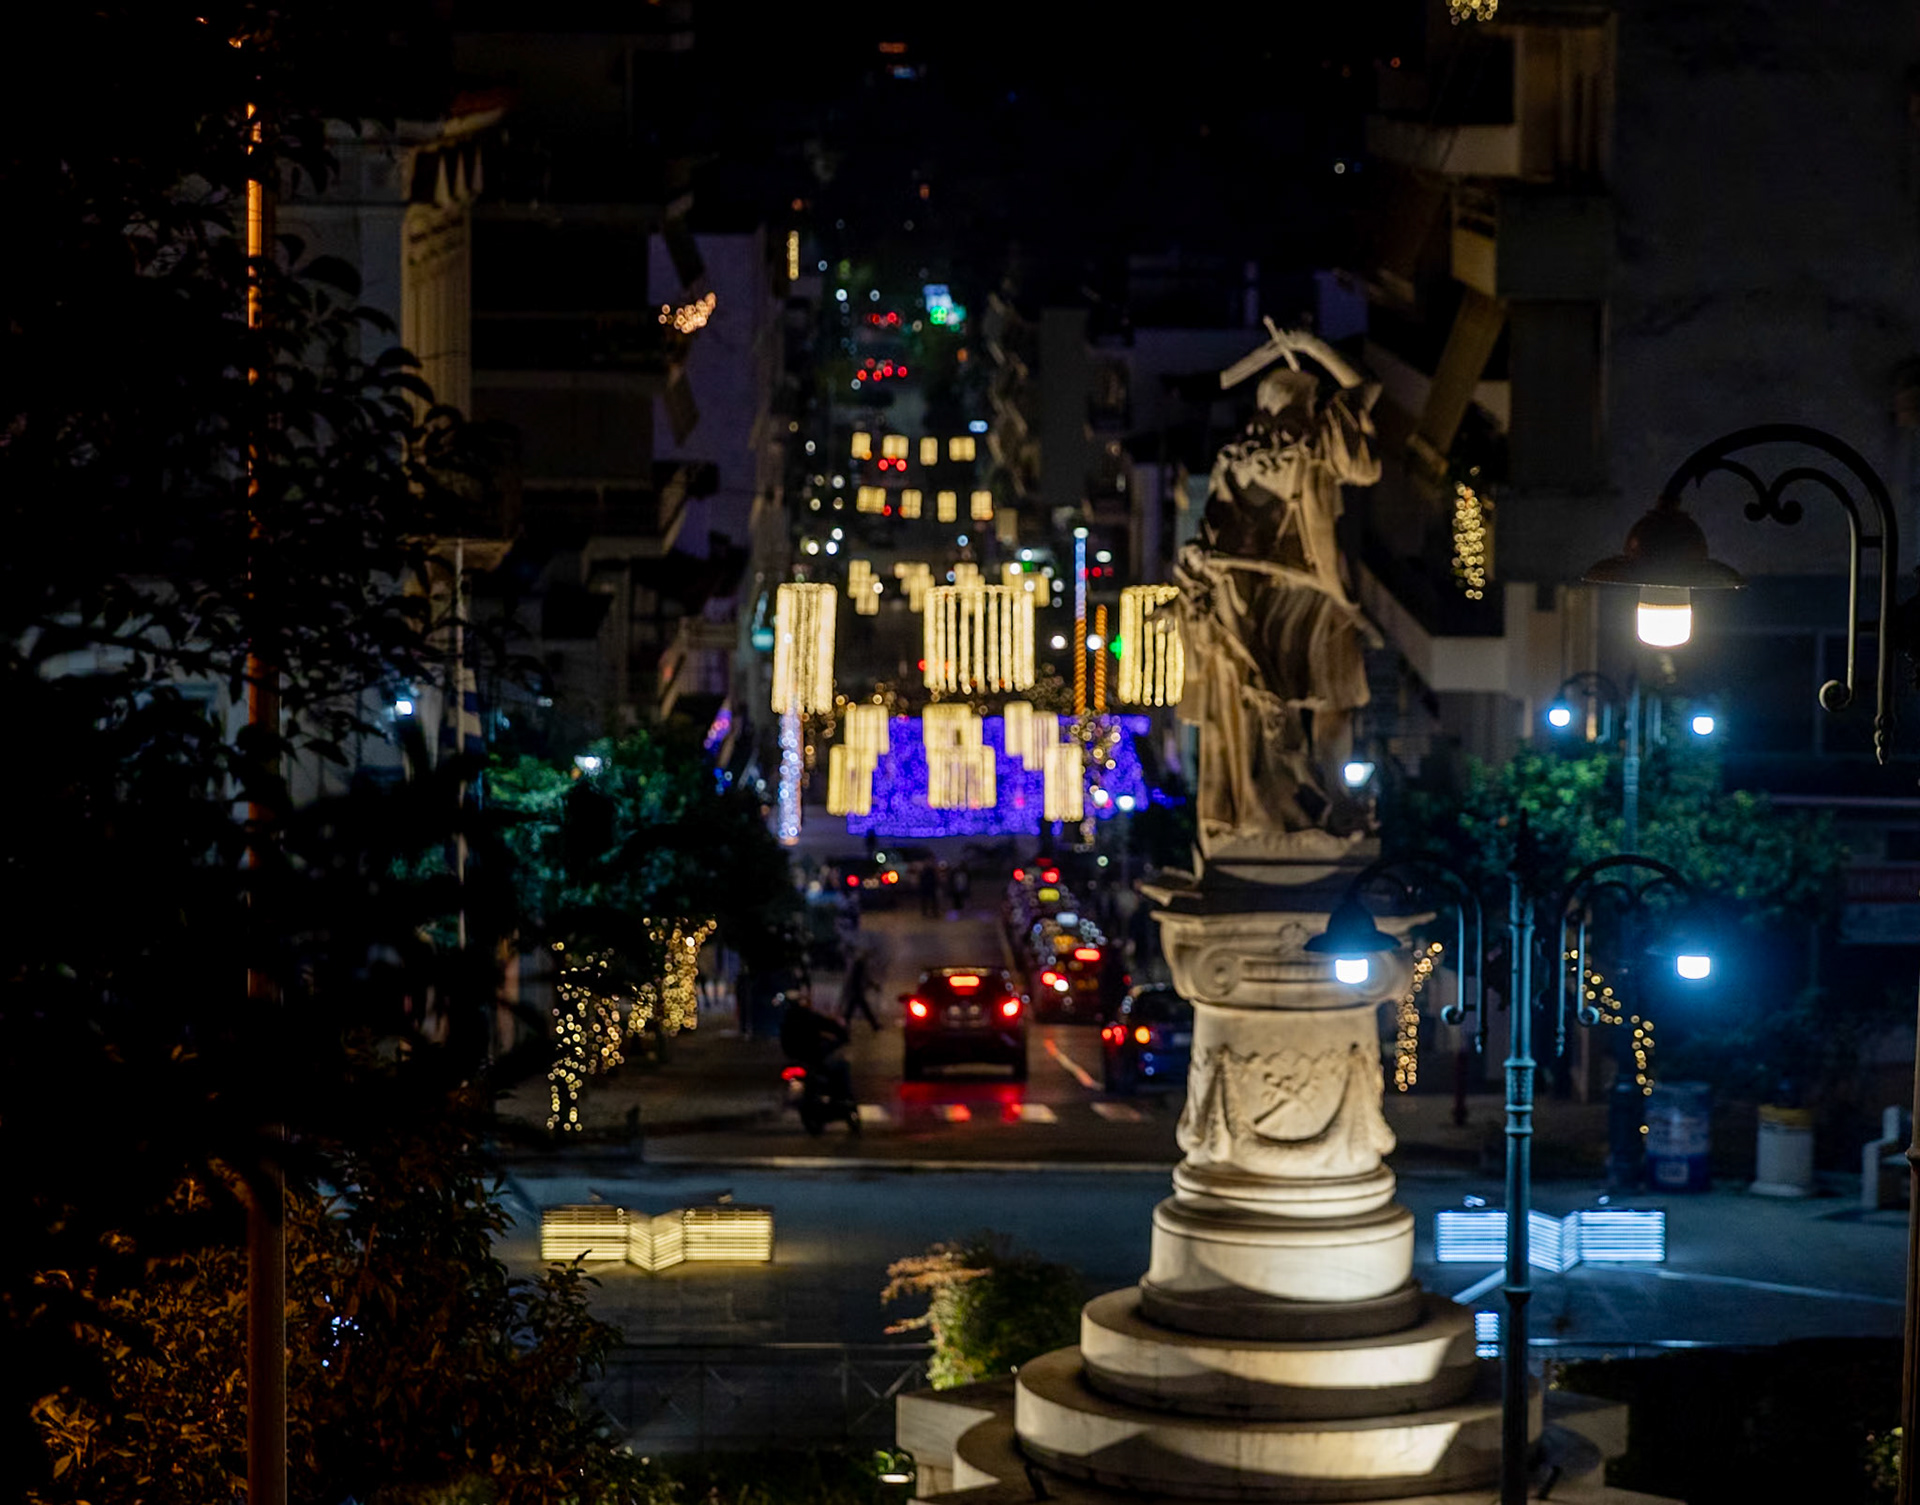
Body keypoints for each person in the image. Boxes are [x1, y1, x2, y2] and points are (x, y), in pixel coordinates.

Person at [779, 992, 853, 1103]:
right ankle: (842, 1098)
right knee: (840, 1066)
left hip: (794, 1055)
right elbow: (830, 1025)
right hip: (812, 1055)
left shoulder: (786, 1019)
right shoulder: (808, 1016)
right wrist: (843, 1035)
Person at [840, 948, 882, 1031]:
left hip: (857, 991)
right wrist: (873, 986)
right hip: (857, 992)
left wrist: (873, 986)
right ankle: (875, 1026)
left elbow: (864, 979)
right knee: (863, 1010)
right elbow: (863, 979)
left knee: (851, 1011)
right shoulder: (860, 965)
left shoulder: (860, 964)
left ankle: (843, 1025)